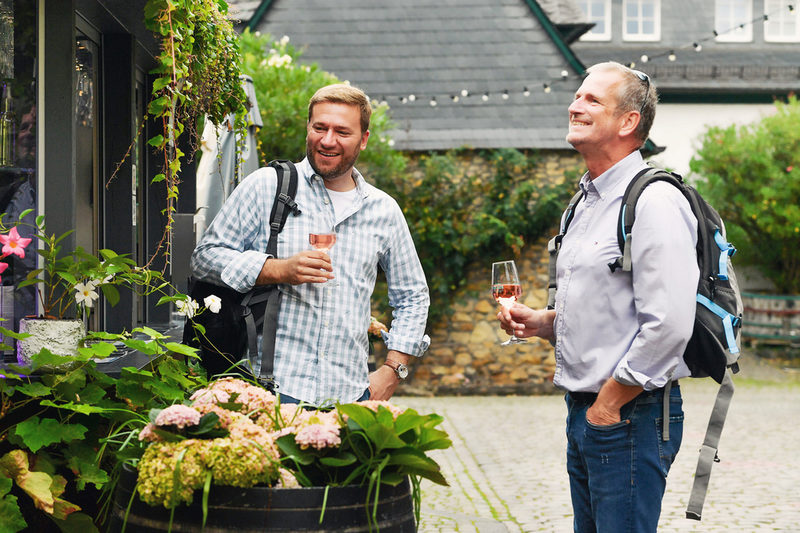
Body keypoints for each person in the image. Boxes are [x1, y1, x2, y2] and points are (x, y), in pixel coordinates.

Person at [498, 62, 698, 532]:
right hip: (587, 409)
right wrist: (544, 321)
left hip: (631, 412)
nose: (574, 105)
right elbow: (608, 303)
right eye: (577, 96)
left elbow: (668, 323)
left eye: (591, 100)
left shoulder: (654, 201)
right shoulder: (586, 201)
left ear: (628, 123)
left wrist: (608, 405)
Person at [191, 84, 430, 406]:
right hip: (270, 391)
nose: (328, 140)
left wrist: (392, 369)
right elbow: (204, 258)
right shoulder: (266, 186)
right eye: (320, 127)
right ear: (309, 128)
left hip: (353, 395)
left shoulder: (383, 209)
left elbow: (413, 295)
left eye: (342, 131)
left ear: (364, 139)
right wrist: (276, 269)